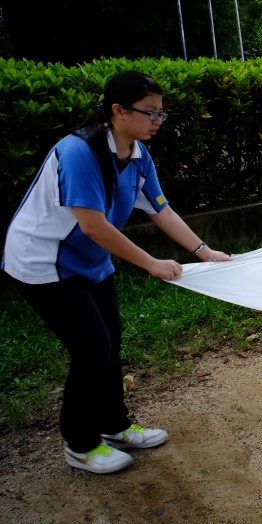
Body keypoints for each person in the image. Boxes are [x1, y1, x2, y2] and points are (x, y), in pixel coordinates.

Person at [1, 71, 231, 474]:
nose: (157, 121)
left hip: (90, 260)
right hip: (43, 262)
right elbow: (93, 225)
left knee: (110, 340)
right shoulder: (79, 152)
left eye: (161, 114)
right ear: (118, 111)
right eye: (150, 113)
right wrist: (151, 263)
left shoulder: (138, 155)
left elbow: (161, 209)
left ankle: (114, 426)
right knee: (92, 347)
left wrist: (203, 251)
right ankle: (79, 443)